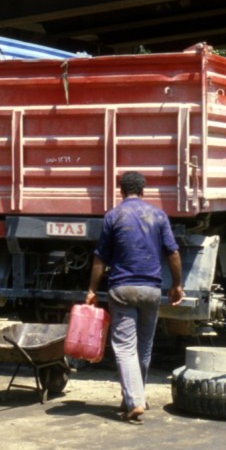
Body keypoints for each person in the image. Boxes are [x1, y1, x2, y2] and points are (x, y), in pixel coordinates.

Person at [85, 171, 183, 424]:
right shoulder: (158, 215)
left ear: (121, 191)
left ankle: (134, 400)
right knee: (144, 346)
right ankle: (135, 397)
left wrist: (92, 290)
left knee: (125, 347)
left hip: (122, 290)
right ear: (143, 191)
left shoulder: (113, 216)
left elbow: (100, 258)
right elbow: (173, 253)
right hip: (151, 290)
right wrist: (178, 285)